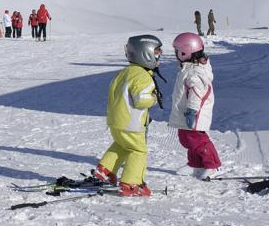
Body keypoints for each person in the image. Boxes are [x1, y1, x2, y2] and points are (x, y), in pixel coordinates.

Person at [93, 35, 162, 197]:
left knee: (122, 145)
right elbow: (140, 99)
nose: (160, 56)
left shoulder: (125, 72)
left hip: (116, 121)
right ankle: (131, 183)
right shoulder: (143, 76)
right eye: (157, 52)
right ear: (146, 54)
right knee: (138, 150)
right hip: (131, 123)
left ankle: (106, 170)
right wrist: (154, 97)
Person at [170, 32, 221, 181]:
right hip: (186, 111)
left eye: (177, 51)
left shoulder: (194, 72)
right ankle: (196, 164)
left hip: (194, 112)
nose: (175, 54)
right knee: (186, 138)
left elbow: (196, 93)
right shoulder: (188, 68)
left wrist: (192, 110)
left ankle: (213, 166)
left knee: (197, 140)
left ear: (186, 52)